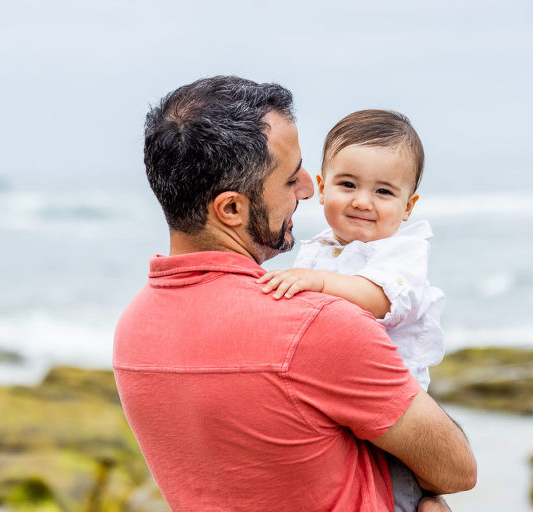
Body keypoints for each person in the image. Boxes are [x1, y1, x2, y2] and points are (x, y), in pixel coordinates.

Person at [113, 76, 475, 511]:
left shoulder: (133, 330)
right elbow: (457, 470)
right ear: (231, 208)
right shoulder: (315, 325)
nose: (308, 189)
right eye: (290, 180)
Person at [256, 109, 445, 511]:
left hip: (393, 407)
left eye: (384, 192)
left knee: (394, 494)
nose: (362, 202)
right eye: (347, 184)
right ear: (322, 188)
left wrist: (317, 283)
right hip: (338, 400)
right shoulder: (317, 248)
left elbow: (378, 298)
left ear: (408, 205)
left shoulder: (403, 250)